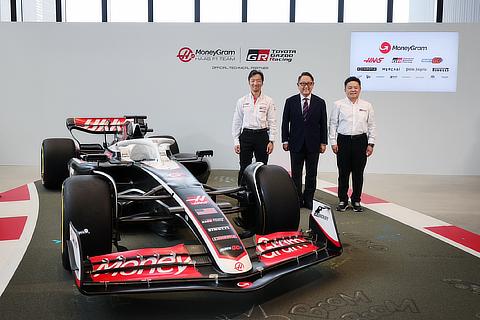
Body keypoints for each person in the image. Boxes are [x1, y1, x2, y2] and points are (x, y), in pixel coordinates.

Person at [329, 76, 376, 212]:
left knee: (358, 173)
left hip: (361, 141)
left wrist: (371, 143)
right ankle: (343, 200)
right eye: (350, 87)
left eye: (355, 87)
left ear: (360, 89)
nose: (353, 90)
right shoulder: (338, 104)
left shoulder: (367, 106)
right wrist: (333, 142)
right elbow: (333, 124)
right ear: (345, 89)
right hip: (343, 141)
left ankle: (356, 200)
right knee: (343, 173)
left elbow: (372, 126)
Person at [281, 72, 327, 210]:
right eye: (302, 83)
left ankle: (308, 200)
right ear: (298, 85)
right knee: (296, 174)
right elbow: (285, 122)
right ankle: (297, 199)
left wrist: (323, 142)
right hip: (295, 143)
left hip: (314, 144)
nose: (305, 86)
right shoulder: (290, 101)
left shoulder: (320, 102)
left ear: (313, 85)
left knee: (311, 174)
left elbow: (323, 123)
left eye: (308, 83)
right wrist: (285, 140)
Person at [232, 70, 277, 185]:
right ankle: (242, 194)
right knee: (244, 166)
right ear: (249, 82)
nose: (255, 83)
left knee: (262, 167)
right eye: (253, 81)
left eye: (258, 81)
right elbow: (237, 122)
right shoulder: (242, 101)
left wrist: (271, 140)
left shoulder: (268, 101)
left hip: (262, 136)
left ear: (262, 82)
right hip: (246, 136)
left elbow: (273, 121)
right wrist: (236, 141)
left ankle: (260, 195)